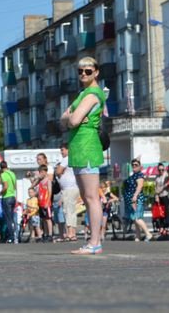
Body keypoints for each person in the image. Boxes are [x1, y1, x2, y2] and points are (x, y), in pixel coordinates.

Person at [60, 56, 107, 255]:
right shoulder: (83, 94)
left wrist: (73, 117)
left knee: (91, 197)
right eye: (80, 71)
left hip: (87, 147)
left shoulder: (92, 94)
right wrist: (72, 118)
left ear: (96, 72)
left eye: (88, 71)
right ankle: (92, 241)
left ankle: (95, 242)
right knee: (86, 198)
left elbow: (72, 120)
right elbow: (63, 119)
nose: (83, 74)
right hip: (78, 147)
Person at [123, 159, 152, 242]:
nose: (134, 166)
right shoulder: (133, 176)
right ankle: (138, 235)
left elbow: (139, 186)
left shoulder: (139, 175)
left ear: (140, 166)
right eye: (133, 165)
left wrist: (135, 196)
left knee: (137, 217)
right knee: (134, 218)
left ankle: (148, 233)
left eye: (136, 165)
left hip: (137, 199)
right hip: (130, 200)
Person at [0, 161, 18, 244]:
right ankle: (15, 235)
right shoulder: (12, 174)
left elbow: (5, 186)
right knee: (12, 218)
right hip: (13, 196)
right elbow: (15, 186)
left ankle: (11, 236)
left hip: (6, 197)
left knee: (8, 219)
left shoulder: (3, 175)